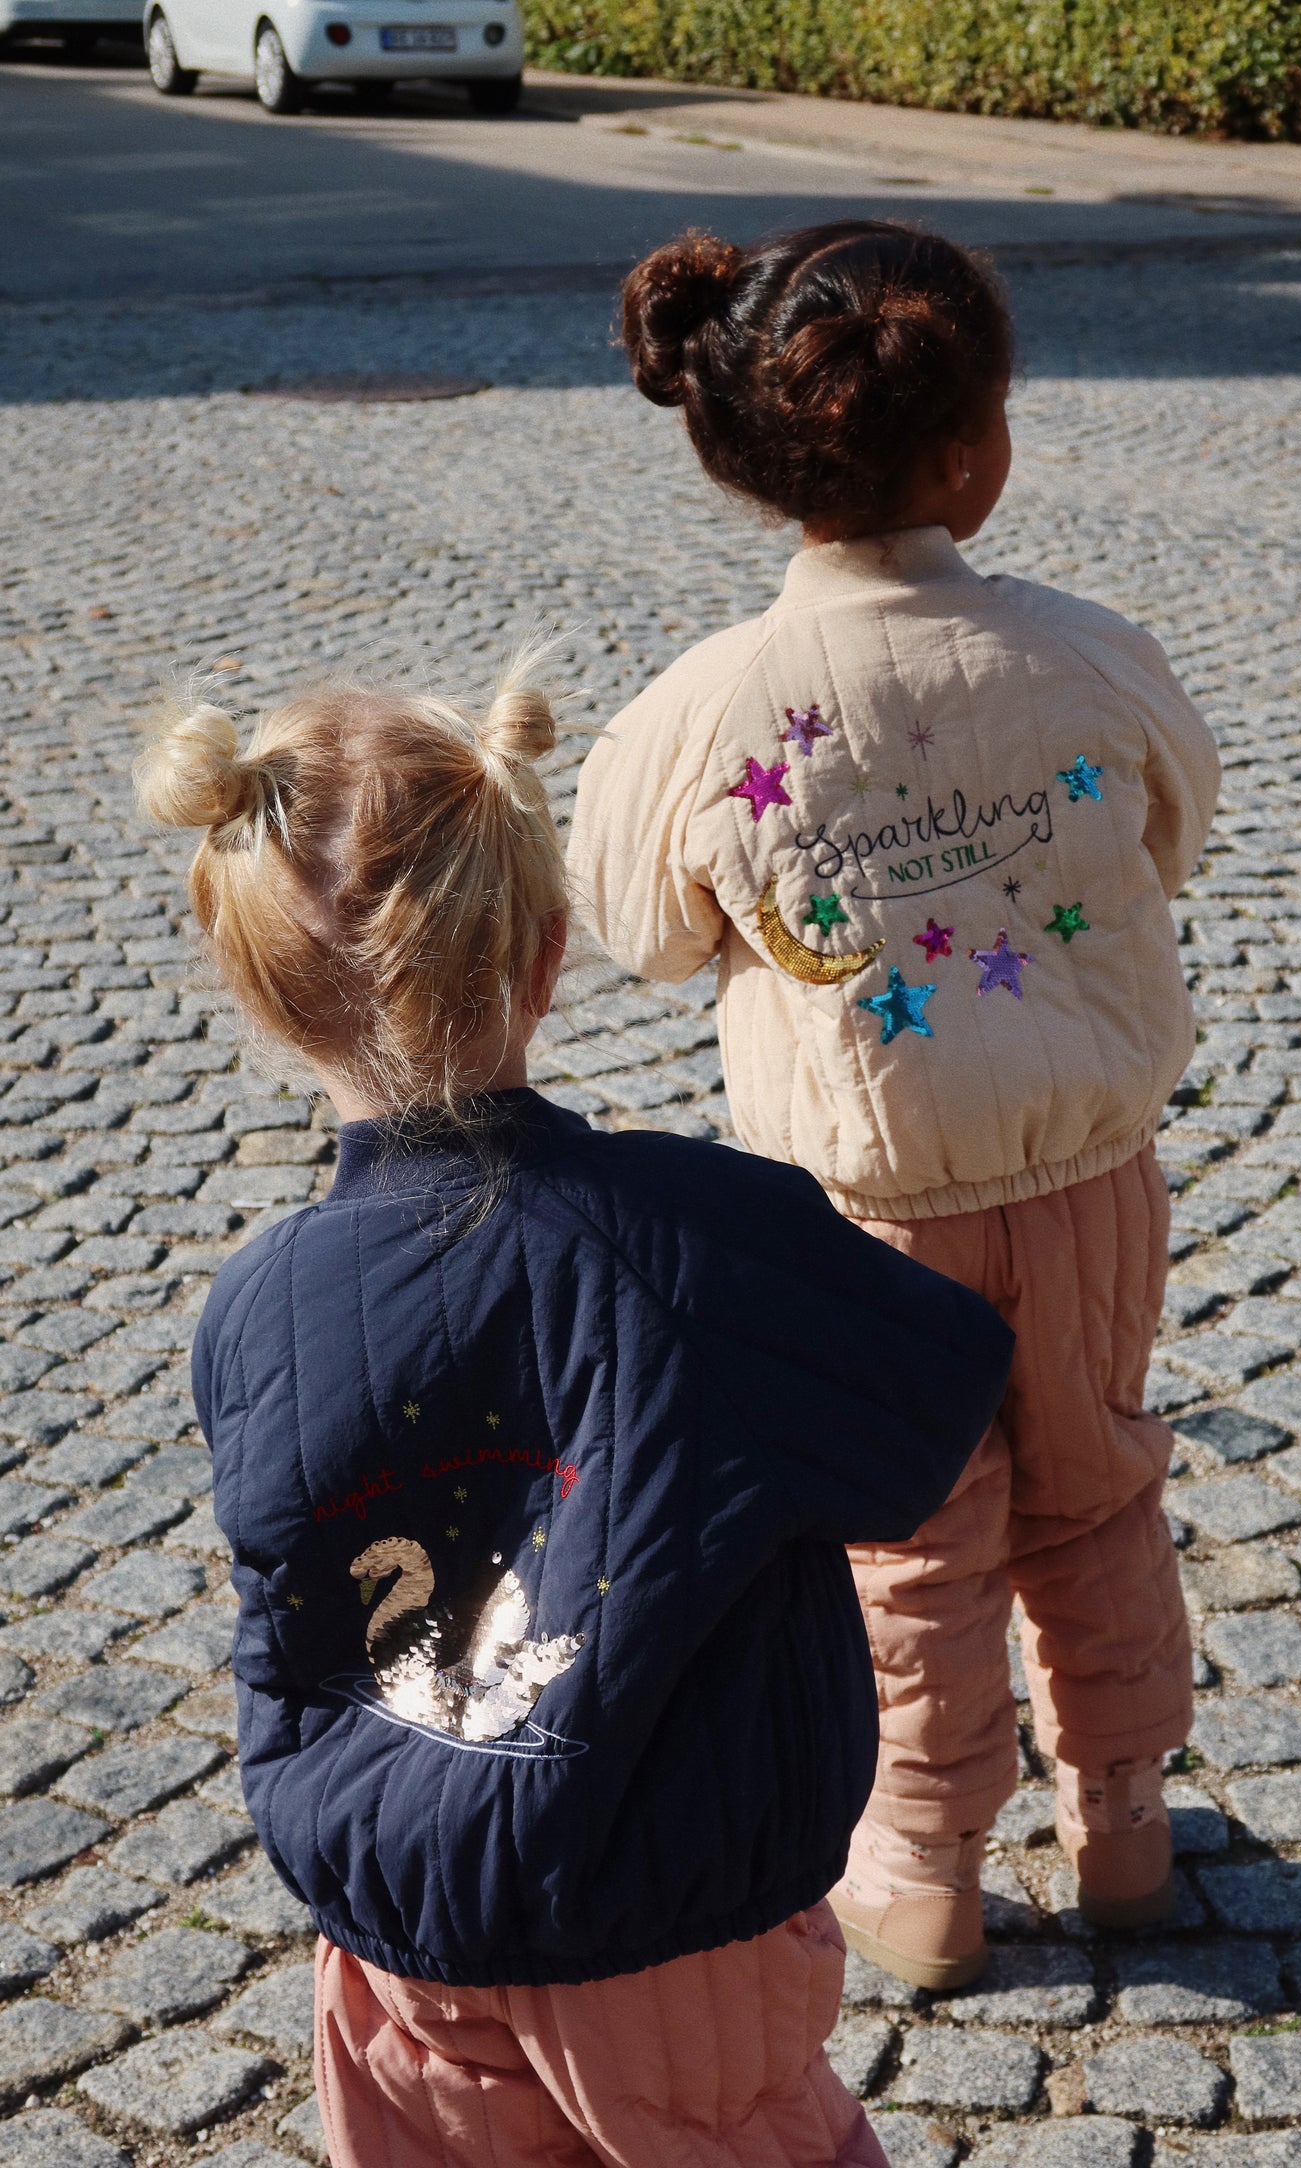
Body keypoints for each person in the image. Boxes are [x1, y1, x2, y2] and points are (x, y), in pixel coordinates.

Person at [139, 666, 1013, 2168]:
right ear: (545, 956)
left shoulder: (255, 1305)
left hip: (395, 1939)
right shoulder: (698, 1239)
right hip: (668, 1930)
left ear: (264, 994)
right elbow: (930, 1398)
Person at [567, 220, 1221, 1993]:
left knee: (908, 1538)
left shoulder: (704, 712)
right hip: (1088, 1173)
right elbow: (1175, 826)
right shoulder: (1086, 653)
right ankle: (1127, 1829)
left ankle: (924, 1869)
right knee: (1094, 1491)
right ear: (970, 448)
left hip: (860, 1219)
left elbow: (631, 924)